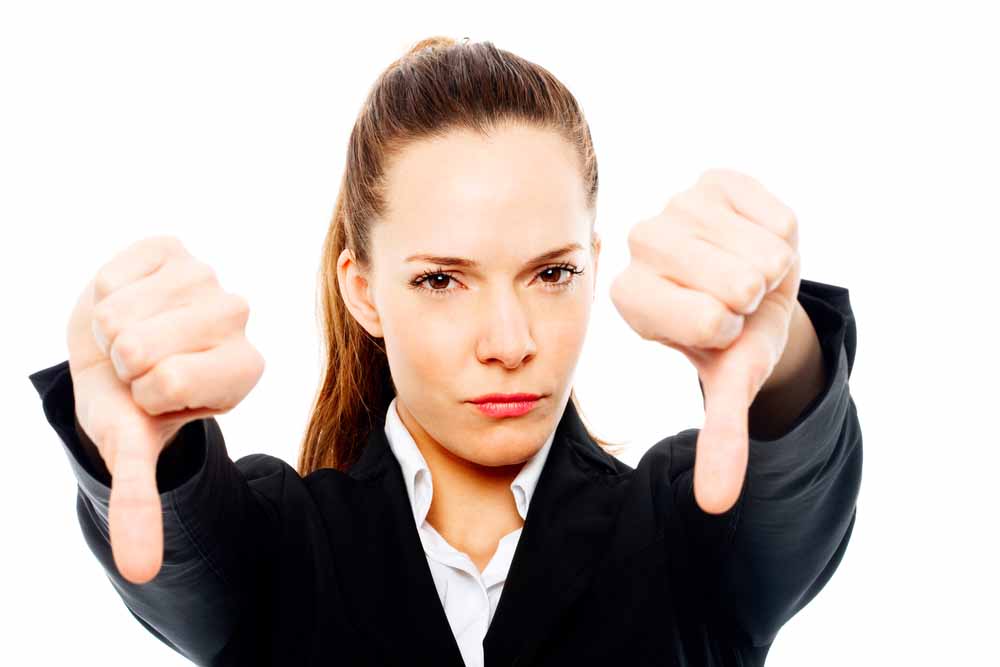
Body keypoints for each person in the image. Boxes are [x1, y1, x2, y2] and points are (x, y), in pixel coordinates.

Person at [28, 36, 862, 667]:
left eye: (552, 273)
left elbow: (788, 494)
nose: (509, 343)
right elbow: (189, 546)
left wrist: (782, 356)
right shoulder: (279, 548)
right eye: (440, 280)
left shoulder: (685, 536)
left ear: (594, 264)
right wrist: (149, 436)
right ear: (363, 290)